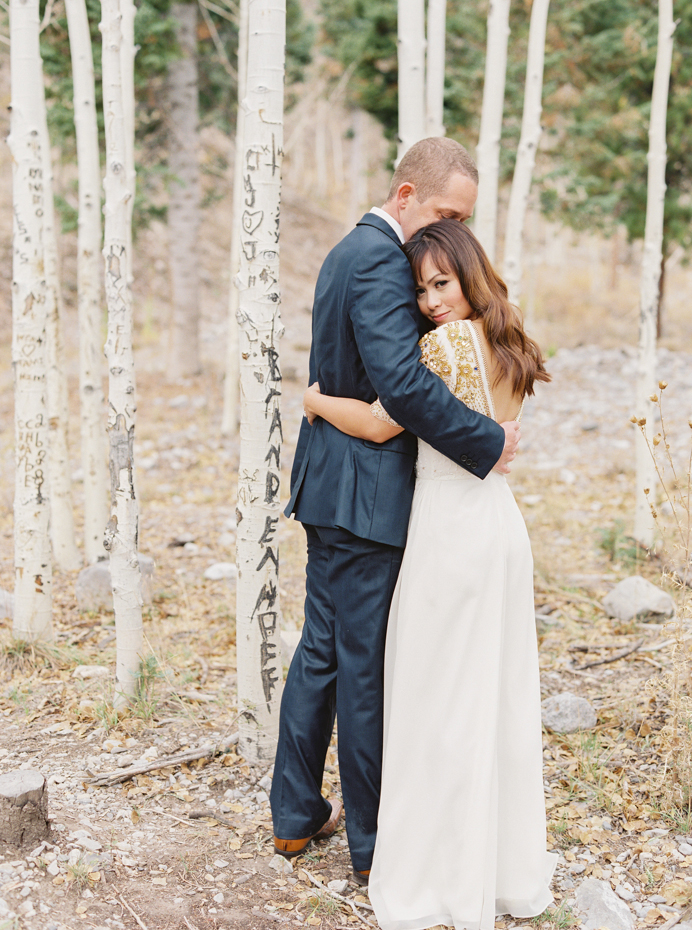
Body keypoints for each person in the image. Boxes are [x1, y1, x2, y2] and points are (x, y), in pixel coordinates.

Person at [270, 137, 520, 883]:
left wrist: (316, 401)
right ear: (407, 195)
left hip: (333, 485)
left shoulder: (348, 250)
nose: (454, 230)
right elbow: (402, 387)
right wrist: (489, 441)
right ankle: (374, 846)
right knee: (363, 667)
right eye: (446, 212)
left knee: (322, 649)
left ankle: (295, 816)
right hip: (366, 496)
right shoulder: (382, 258)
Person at [302, 218, 556, 930]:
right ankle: (499, 866)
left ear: (469, 276)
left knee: (437, 700)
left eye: (442, 283)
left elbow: (384, 423)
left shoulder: (443, 347)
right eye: (421, 290)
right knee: (492, 698)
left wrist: (315, 400)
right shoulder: (507, 341)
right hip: (499, 524)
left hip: (452, 534)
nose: (431, 301)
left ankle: (440, 871)